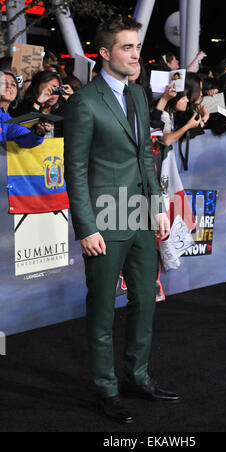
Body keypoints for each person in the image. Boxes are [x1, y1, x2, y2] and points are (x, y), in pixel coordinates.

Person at [64, 16, 179, 425]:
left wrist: (158, 207)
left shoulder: (138, 95)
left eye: (137, 47)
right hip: (104, 220)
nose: (136, 54)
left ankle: (138, 376)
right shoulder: (85, 101)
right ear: (105, 53)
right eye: (127, 47)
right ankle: (106, 389)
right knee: (101, 311)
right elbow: (74, 170)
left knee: (145, 299)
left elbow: (145, 157)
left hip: (141, 216)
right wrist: (87, 227)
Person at [14, 70, 73, 137]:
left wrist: (73, 102)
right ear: (36, 90)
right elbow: (23, 127)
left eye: (55, 90)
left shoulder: (62, 110)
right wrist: (38, 102)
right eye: (47, 90)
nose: (51, 95)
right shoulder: (23, 108)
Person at [0, 71, 50, 146]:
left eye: (13, 84)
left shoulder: (7, 120)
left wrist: (38, 132)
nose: (9, 86)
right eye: (3, 83)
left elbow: (25, 138)